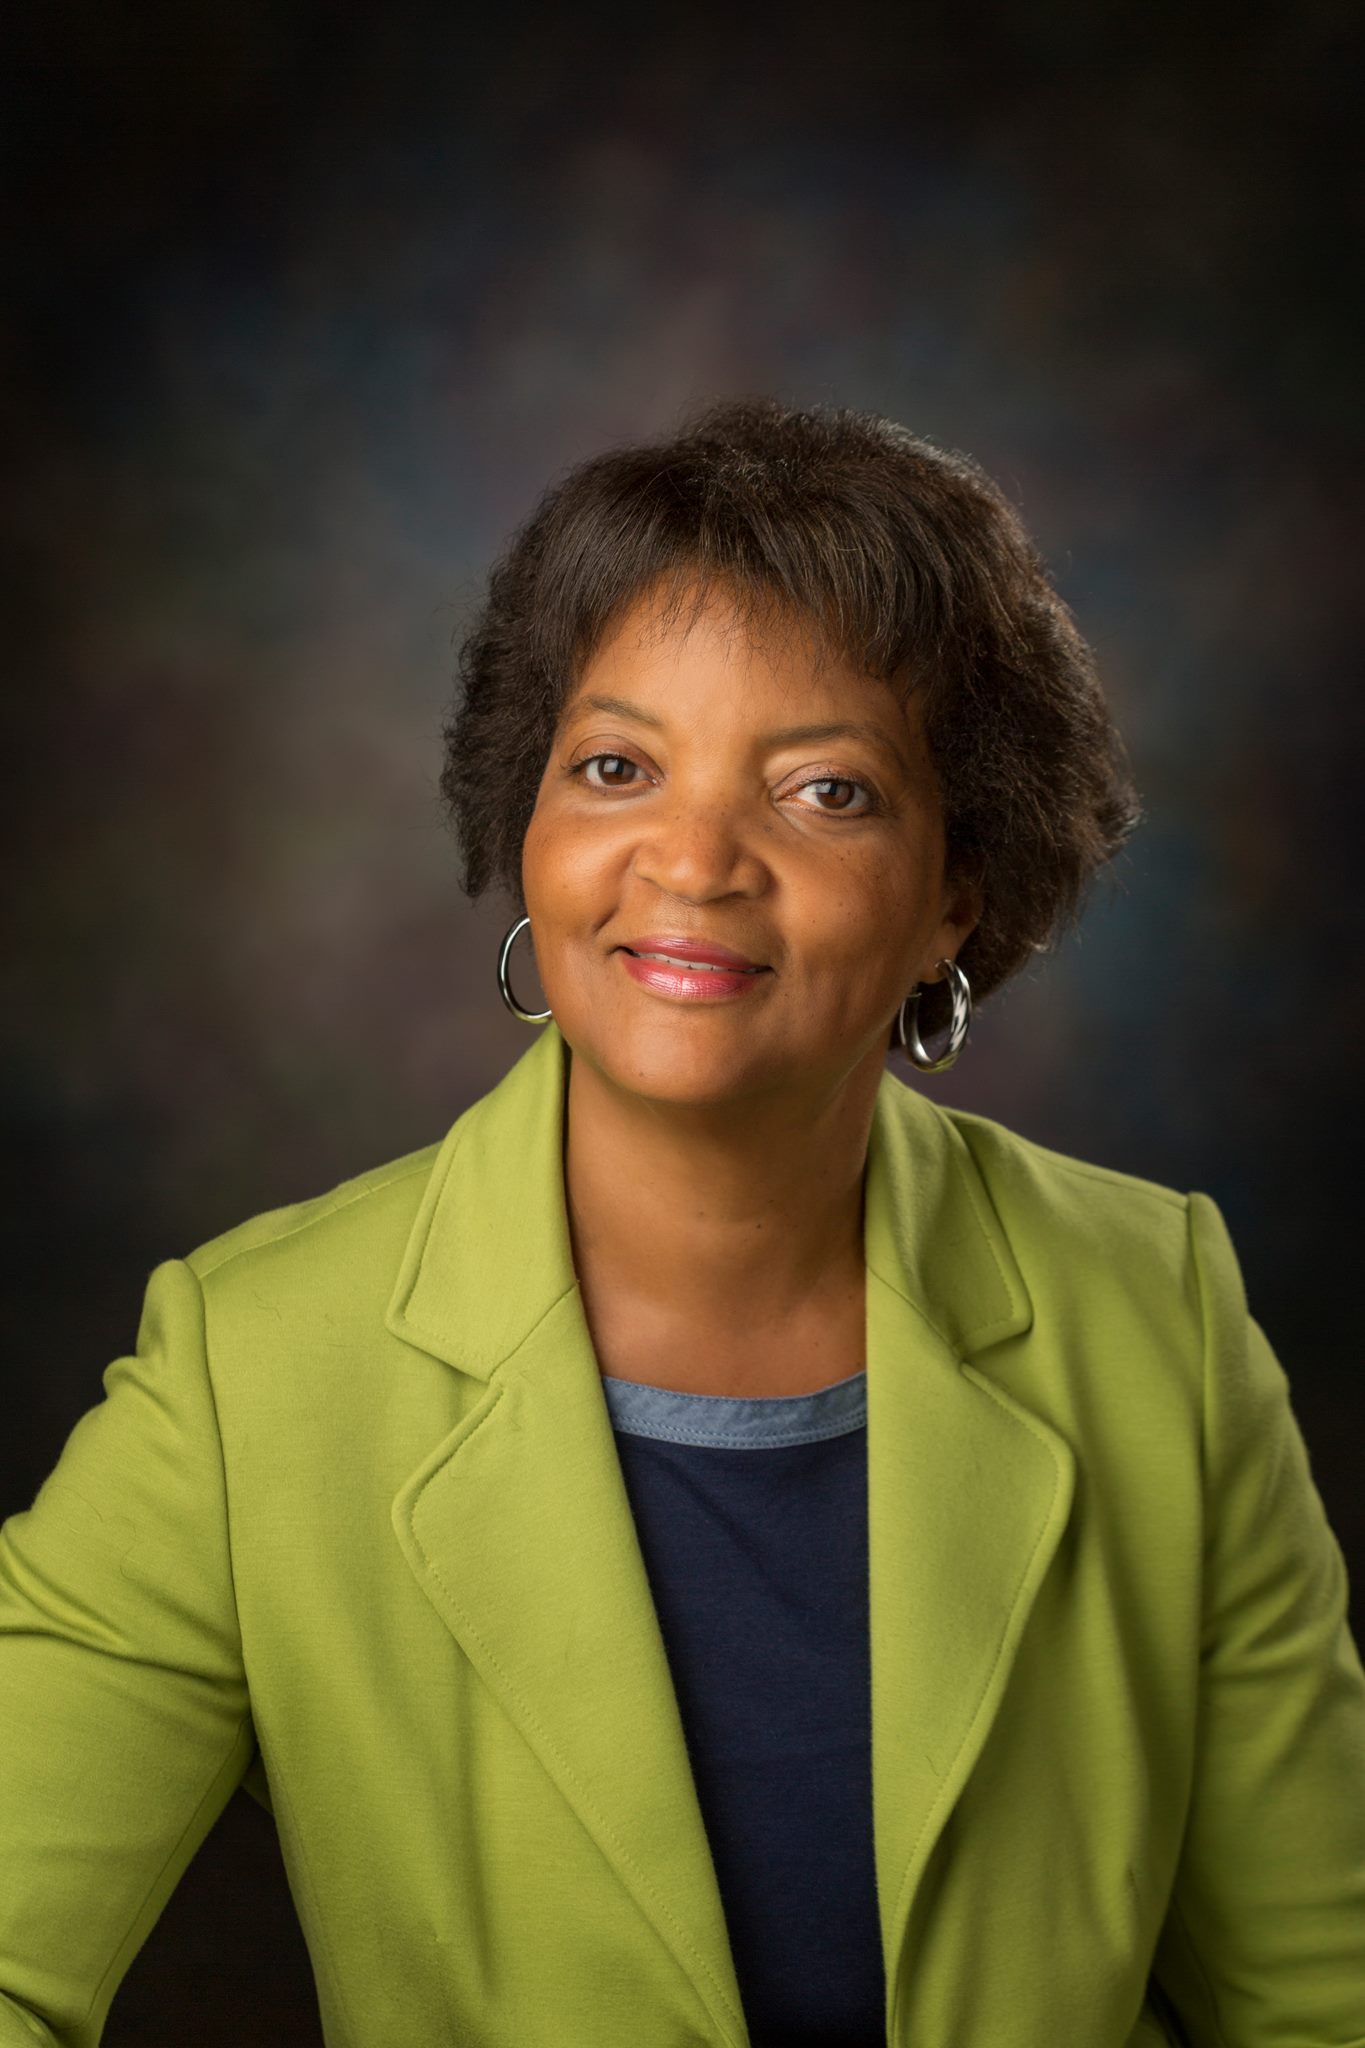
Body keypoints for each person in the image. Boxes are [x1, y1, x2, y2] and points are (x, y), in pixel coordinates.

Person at [1, 398, 1362, 2048]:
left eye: (825, 792)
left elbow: (1318, 1998)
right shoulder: (254, 1365)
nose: (693, 859)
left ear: (959, 888)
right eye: (617, 766)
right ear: (529, 827)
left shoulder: (1155, 1309)